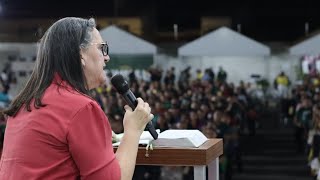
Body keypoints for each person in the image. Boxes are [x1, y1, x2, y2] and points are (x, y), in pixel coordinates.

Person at [0, 17, 153, 180]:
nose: (106, 57)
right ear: (81, 54)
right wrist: (133, 129)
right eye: (102, 48)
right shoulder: (80, 108)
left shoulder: (24, 103)